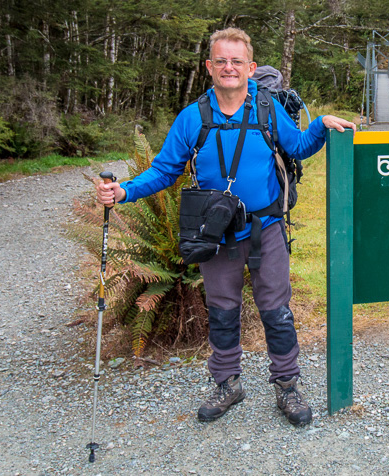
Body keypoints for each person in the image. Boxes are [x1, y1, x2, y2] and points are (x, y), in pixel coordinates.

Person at [96, 27, 355, 427]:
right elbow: (165, 170)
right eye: (221, 61)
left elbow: (299, 146)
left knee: (276, 311)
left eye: (237, 62)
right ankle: (227, 384)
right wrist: (124, 191)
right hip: (215, 233)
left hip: (266, 226)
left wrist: (320, 124)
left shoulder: (268, 109)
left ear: (250, 68)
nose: (229, 68)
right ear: (209, 67)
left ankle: (287, 385)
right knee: (221, 311)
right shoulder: (193, 117)